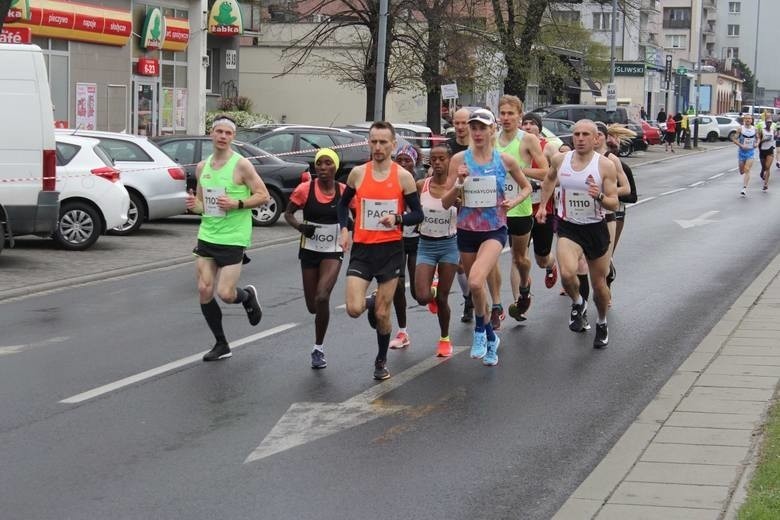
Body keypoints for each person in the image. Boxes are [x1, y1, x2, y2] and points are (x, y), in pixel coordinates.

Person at [442, 109, 531, 367]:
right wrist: (458, 183)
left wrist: (513, 201)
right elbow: (445, 201)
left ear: (493, 130)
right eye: (474, 128)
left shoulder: (504, 161)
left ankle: (480, 331)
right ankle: (491, 338)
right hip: (467, 231)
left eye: (483, 127)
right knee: (475, 288)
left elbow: (526, 187)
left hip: (494, 230)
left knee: (476, 280)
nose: (478, 132)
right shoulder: (460, 159)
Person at [337, 121, 423, 380]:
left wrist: (397, 219)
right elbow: (342, 206)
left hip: (390, 251)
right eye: (373, 141)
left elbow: (417, 214)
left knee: (384, 313)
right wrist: (344, 229)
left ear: (393, 145)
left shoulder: (403, 177)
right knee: (353, 308)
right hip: (363, 250)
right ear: (368, 143)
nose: (377, 146)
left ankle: (381, 360)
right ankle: (370, 301)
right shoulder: (358, 174)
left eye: (383, 142)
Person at [185, 115, 268, 362]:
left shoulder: (241, 165)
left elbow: (263, 195)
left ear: (233, 137)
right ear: (211, 134)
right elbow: (202, 205)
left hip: (234, 237)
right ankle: (221, 343)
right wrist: (193, 205)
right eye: (218, 132)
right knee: (203, 289)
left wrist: (237, 203)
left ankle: (247, 297)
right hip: (208, 233)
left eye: (227, 133)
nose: (222, 137)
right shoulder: (202, 167)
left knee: (225, 293)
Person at [535, 119, 620, 348]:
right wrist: (543, 206)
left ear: (595, 138)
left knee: (599, 286)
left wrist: (599, 196)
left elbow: (614, 203)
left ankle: (601, 322)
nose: (580, 138)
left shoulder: (604, 166)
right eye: (576, 134)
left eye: (585, 134)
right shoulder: (561, 160)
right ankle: (578, 302)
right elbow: (549, 181)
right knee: (568, 274)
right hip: (569, 226)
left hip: (595, 227)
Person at [284, 148, 350, 369]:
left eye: (327, 163)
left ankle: (318, 348)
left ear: (335, 167)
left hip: (333, 250)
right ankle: (320, 330)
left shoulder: (344, 191)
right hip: (309, 250)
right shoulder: (305, 189)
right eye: (319, 164)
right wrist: (301, 227)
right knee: (313, 306)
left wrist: (348, 232)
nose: (322, 168)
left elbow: (357, 216)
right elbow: (288, 213)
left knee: (322, 297)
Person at [495, 95, 548, 324]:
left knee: (520, 258)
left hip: (520, 207)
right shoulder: (491, 138)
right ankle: (509, 305)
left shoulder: (527, 140)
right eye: (503, 113)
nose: (506, 118)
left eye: (511, 113)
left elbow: (545, 172)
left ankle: (525, 286)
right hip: (495, 208)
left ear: (519, 115)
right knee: (491, 258)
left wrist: (517, 171)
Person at [413, 143, 460, 357]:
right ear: (429, 162)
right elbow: (412, 210)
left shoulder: (456, 186)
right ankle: (429, 291)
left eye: (442, 159)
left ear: (449, 160)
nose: (438, 163)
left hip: (449, 245)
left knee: (443, 298)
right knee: (421, 296)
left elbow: (466, 214)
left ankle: (444, 338)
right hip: (426, 245)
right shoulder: (421, 184)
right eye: (434, 159)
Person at [516, 113, 560, 303]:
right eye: (524, 123)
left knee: (541, 259)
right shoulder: (515, 148)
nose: (527, 127)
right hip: (518, 208)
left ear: (539, 128)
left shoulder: (547, 147)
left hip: (542, 209)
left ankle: (551, 265)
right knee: (518, 258)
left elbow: (557, 176)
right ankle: (521, 299)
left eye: (532, 124)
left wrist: (544, 183)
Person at [388, 144, 421, 349]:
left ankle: (431, 291)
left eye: (407, 160)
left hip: (418, 240)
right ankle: (403, 331)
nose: (402, 164)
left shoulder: (419, 183)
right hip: (397, 241)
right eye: (399, 160)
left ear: (414, 162)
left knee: (419, 293)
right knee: (398, 285)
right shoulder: (391, 184)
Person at [446, 107, 475, 322]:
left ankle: (480, 296)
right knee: (459, 263)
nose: (460, 127)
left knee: (472, 261)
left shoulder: (476, 145)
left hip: (475, 208)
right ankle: (468, 298)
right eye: (456, 123)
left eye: (464, 123)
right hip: (453, 205)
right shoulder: (448, 146)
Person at [732, 114, 758, 196]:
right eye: (746, 118)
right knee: (741, 171)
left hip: (750, 152)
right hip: (741, 152)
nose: (748, 120)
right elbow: (734, 139)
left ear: (751, 120)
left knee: (747, 169)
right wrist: (741, 145)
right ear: (744, 120)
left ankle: (744, 188)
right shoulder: (740, 129)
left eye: (749, 119)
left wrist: (756, 144)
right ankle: (744, 182)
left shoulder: (755, 129)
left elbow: (758, 138)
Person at [757, 116, 776, 192]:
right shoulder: (761, 131)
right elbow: (758, 141)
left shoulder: (773, 130)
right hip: (762, 150)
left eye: (770, 122)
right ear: (765, 123)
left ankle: (765, 184)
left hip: (770, 150)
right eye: (768, 122)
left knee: (768, 167)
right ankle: (762, 172)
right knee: (764, 167)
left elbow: (774, 138)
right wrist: (763, 140)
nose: (769, 123)